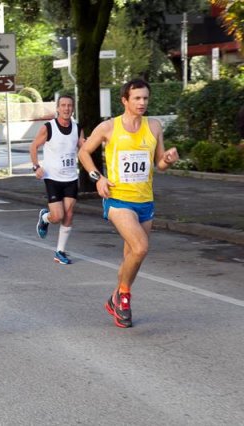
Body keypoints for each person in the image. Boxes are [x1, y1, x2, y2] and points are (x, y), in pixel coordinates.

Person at [78, 78, 179, 328]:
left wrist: (168, 159)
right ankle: (123, 295)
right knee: (141, 247)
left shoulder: (154, 126)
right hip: (118, 199)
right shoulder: (108, 127)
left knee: (132, 257)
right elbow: (83, 152)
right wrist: (97, 178)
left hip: (145, 201)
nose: (142, 102)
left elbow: (159, 165)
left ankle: (116, 298)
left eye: (145, 98)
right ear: (125, 100)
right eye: (137, 98)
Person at [31, 95, 85, 265]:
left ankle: (60, 251)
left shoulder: (77, 128)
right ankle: (45, 218)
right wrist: (36, 166)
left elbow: (83, 148)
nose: (66, 108)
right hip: (52, 178)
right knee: (58, 216)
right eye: (63, 105)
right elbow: (33, 146)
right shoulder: (49, 127)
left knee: (69, 214)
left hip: (71, 178)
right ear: (58, 108)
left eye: (69, 105)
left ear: (73, 108)